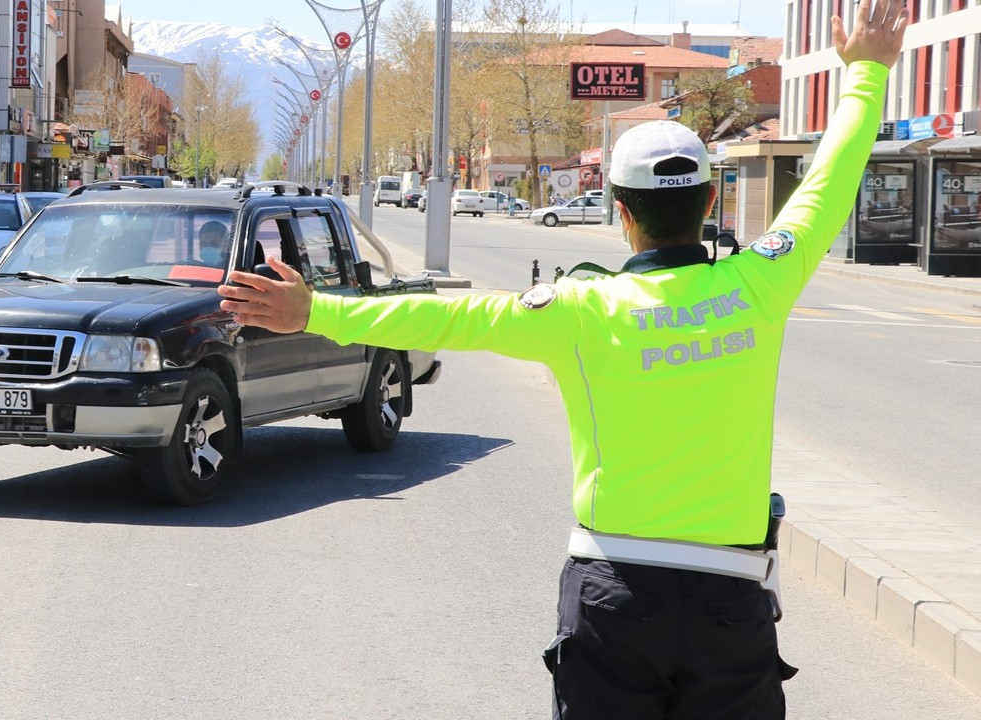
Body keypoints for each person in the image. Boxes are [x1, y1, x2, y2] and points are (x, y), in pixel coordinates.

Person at [218, 3, 908, 717]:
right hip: (731, 604)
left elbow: (449, 316)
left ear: (619, 210)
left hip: (615, 599)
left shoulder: (581, 311)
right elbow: (825, 190)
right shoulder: (759, 285)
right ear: (709, 201)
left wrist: (316, 311)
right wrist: (865, 72)